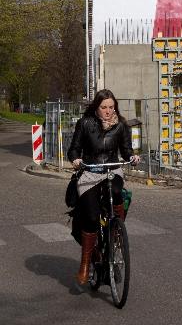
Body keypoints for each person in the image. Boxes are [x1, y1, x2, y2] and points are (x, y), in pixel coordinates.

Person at [67, 88, 139, 285]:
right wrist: (75, 159)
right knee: (90, 216)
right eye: (104, 107)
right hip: (90, 172)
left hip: (111, 170)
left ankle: (117, 231)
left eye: (111, 107)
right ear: (96, 108)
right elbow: (73, 149)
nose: (108, 111)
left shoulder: (121, 126)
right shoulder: (85, 124)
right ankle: (85, 263)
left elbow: (126, 150)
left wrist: (132, 157)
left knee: (117, 191)